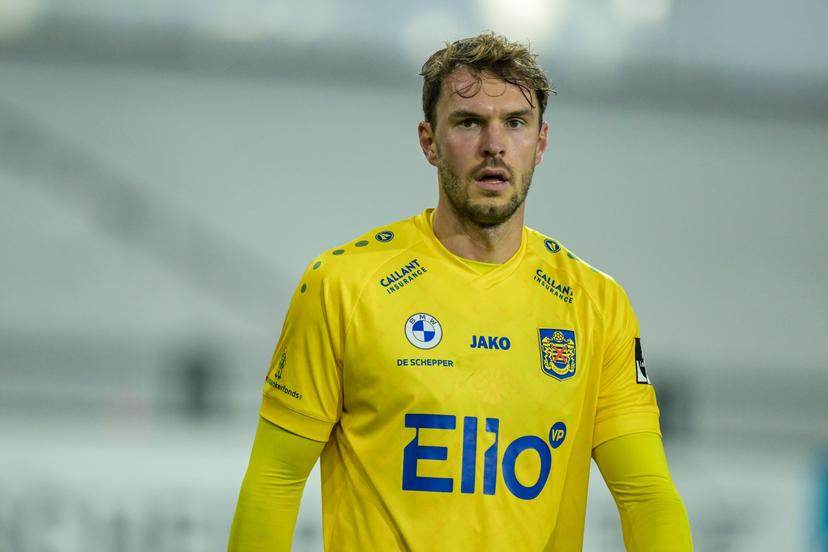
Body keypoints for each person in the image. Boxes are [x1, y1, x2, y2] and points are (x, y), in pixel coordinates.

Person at [228, 32, 692, 551]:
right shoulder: (343, 285)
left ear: (540, 143)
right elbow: (275, 480)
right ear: (429, 142)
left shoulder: (596, 304)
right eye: (469, 122)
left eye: (515, 122)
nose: (494, 144)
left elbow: (646, 496)